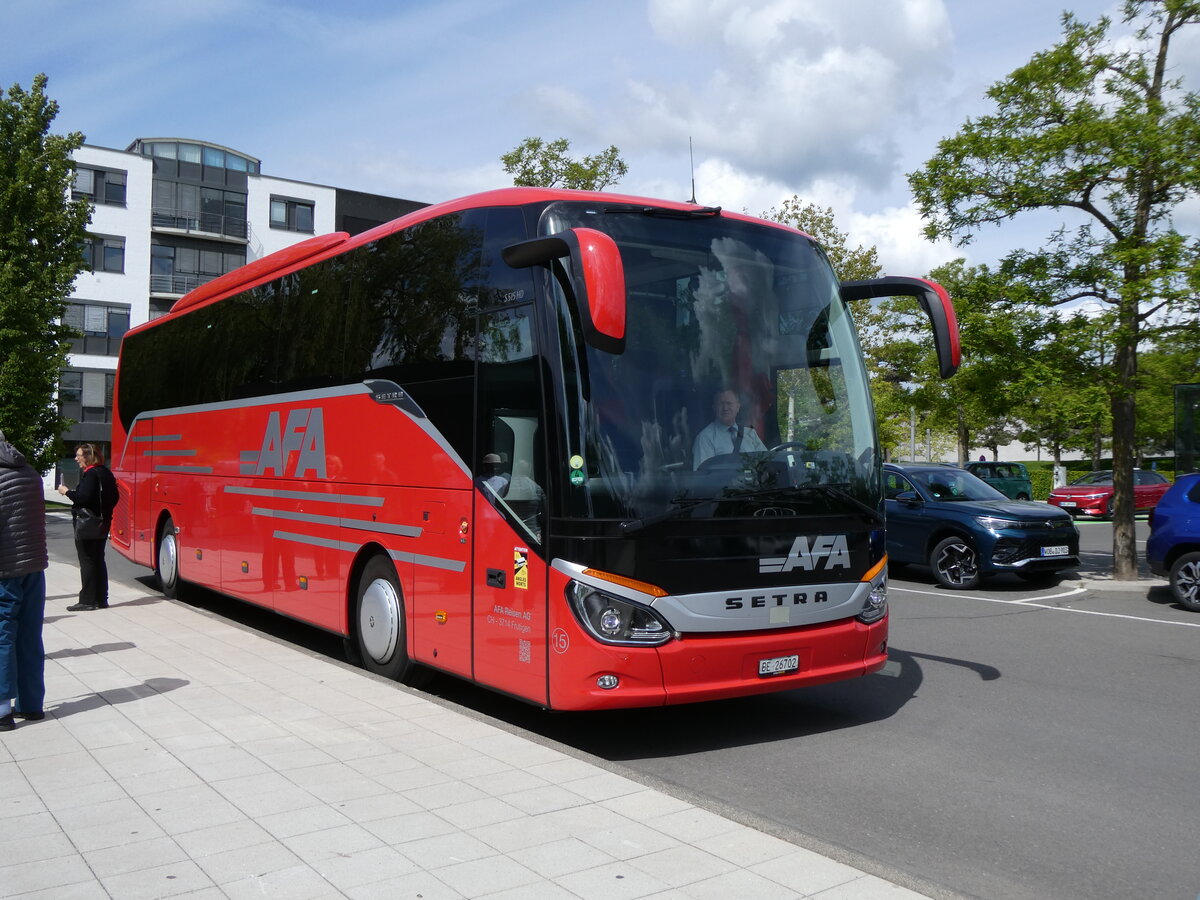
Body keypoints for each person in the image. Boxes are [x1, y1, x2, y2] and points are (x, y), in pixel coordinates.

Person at [0, 428, 48, 729]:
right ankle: (32, 704)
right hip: (34, 565)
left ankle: (2, 708)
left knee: (3, 633)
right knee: (30, 634)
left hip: (5, 568)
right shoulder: (30, 473)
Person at [57, 443, 118, 611]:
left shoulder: (90, 474)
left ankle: (87, 600)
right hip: (103, 522)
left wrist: (66, 492)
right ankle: (101, 598)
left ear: (89, 456)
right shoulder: (105, 472)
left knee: (87, 561)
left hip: (87, 524)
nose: (76, 458)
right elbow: (116, 497)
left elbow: (82, 498)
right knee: (99, 560)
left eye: (79, 455)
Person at [692, 388, 767, 468]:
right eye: (721, 404)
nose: (725, 408)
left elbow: (767, 462)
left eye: (729, 403)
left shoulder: (750, 434)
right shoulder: (705, 438)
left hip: (753, 480)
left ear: (738, 407)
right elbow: (702, 475)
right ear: (714, 408)